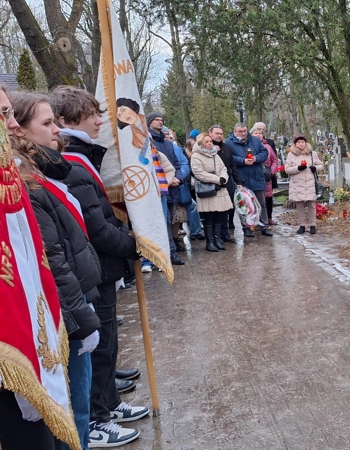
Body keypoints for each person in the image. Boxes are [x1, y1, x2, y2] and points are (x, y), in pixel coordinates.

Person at [48, 86, 149, 447]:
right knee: (99, 346)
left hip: (102, 268)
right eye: (90, 114)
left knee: (107, 343)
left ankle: (108, 402)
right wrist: (134, 245)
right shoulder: (73, 165)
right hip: (97, 267)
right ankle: (97, 416)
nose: (99, 120)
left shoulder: (81, 158)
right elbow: (96, 227)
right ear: (65, 121)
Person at [8, 90, 104, 450]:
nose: (56, 132)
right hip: (64, 313)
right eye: (46, 123)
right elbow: (53, 257)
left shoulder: (37, 173)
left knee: (76, 408)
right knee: (72, 411)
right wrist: (81, 316)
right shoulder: (25, 185)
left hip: (76, 301)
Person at [145, 112, 184, 265]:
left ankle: (172, 252)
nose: (160, 122)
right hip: (154, 191)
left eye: (162, 120)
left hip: (169, 189)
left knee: (170, 222)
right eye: (156, 119)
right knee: (160, 223)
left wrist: (178, 178)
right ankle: (162, 254)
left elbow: (175, 164)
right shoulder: (146, 143)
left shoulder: (168, 144)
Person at [191, 133, 233, 252]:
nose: (210, 143)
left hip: (220, 189)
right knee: (209, 217)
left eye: (210, 141)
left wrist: (223, 178)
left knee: (218, 215)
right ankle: (209, 242)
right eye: (207, 142)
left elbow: (224, 168)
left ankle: (217, 239)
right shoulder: (196, 156)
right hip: (207, 190)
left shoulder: (215, 155)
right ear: (200, 144)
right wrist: (217, 179)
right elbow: (199, 173)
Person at [225, 123, 269, 237]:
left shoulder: (255, 140)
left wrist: (256, 158)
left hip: (256, 175)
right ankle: (246, 227)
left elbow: (264, 153)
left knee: (261, 202)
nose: (244, 133)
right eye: (240, 131)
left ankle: (264, 226)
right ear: (235, 132)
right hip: (241, 176)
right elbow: (229, 158)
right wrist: (242, 161)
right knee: (244, 204)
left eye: (245, 131)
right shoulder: (229, 143)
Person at [285, 134, 322, 234]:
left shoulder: (312, 153)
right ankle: (302, 225)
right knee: (300, 204)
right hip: (297, 183)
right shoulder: (291, 154)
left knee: (312, 204)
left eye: (302, 142)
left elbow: (320, 165)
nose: (301, 144)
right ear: (295, 144)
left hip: (310, 182)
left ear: (305, 143)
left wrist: (316, 168)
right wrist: (298, 168)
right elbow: (287, 169)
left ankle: (312, 225)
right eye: (298, 142)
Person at [209, 125, 241, 240]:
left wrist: (238, 181)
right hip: (212, 182)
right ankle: (214, 235)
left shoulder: (227, 147)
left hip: (227, 181)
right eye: (216, 133)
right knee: (215, 210)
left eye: (221, 134)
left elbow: (232, 165)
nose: (219, 136)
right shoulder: (206, 147)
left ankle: (225, 233)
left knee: (227, 207)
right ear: (210, 134)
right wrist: (212, 151)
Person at [251, 127, 279, 228]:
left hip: (266, 176)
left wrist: (272, 171)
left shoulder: (268, 146)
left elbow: (274, 160)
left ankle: (266, 220)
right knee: (254, 201)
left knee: (266, 200)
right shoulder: (249, 145)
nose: (258, 135)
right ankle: (254, 221)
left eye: (260, 133)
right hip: (254, 176)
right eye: (255, 133)